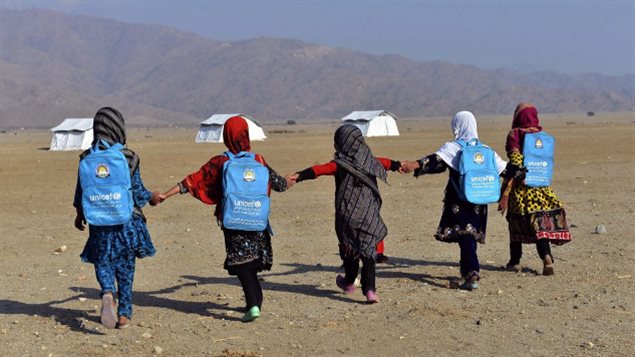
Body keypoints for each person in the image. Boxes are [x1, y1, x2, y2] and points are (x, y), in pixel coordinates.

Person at [160, 116, 291, 322]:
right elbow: (280, 184)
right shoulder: (259, 160)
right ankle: (255, 303)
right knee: (252, 263)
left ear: (226, 136)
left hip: (233, 220)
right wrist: (290, 180)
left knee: (241, 264)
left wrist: (166, 195)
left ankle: (253, 305)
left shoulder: (221, 161)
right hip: (257, 219)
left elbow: (192, 182)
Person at [288, 124, 401, 303]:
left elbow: (320, 170)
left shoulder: (339, 164)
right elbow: (387, 163)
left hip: (347, 216)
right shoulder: (371, 161)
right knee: (368, 252)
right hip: (368, 215)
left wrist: (299, 175)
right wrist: (399, 165)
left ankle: (349, 282)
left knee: (349, 249)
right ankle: (370, 291)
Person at [73, 107, 161, 329]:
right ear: (119, 127)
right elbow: (138, 192)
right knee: (125, 267)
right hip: (126, 222)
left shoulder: (87, 158)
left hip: (99, 221)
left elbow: (81, 191)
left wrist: (79, 214)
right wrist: (151, 197)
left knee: (103, 261)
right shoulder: (129, 157)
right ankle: (124, 314)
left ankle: (107, 293)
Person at [400, 111, 506, 290]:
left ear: (457, 126)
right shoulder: (486, 150)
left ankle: (471, 273)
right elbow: (505, 170)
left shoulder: (453, 148)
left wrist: (414, 165)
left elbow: (437, 161)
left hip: (458, 199)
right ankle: (470, 270)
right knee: (469, 235)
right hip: (479, 199)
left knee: (465, 235)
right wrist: (516, 181)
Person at [498, 103, 572, 275]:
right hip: (542, 188)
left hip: (522, 190)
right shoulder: (543, 137)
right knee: (540, 226)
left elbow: (516, 162)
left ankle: (514, 261)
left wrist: (506, 189)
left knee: (515, 224)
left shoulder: (515, 134)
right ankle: (547, 257)